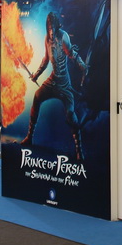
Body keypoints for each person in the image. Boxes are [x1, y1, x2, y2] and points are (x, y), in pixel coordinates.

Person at [22, 12, 87, 160]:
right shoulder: (47, 38)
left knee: (70, 114)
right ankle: (29, 137)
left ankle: (79, 150)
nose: (51, 31)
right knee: (37, 96)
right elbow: (46, 59)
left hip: (64, 84)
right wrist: (37, 74)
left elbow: (71, 54)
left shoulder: (63, 36)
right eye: (49, 27)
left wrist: (82, 65)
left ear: (56, 26)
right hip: (52, 81)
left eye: (53, 27)